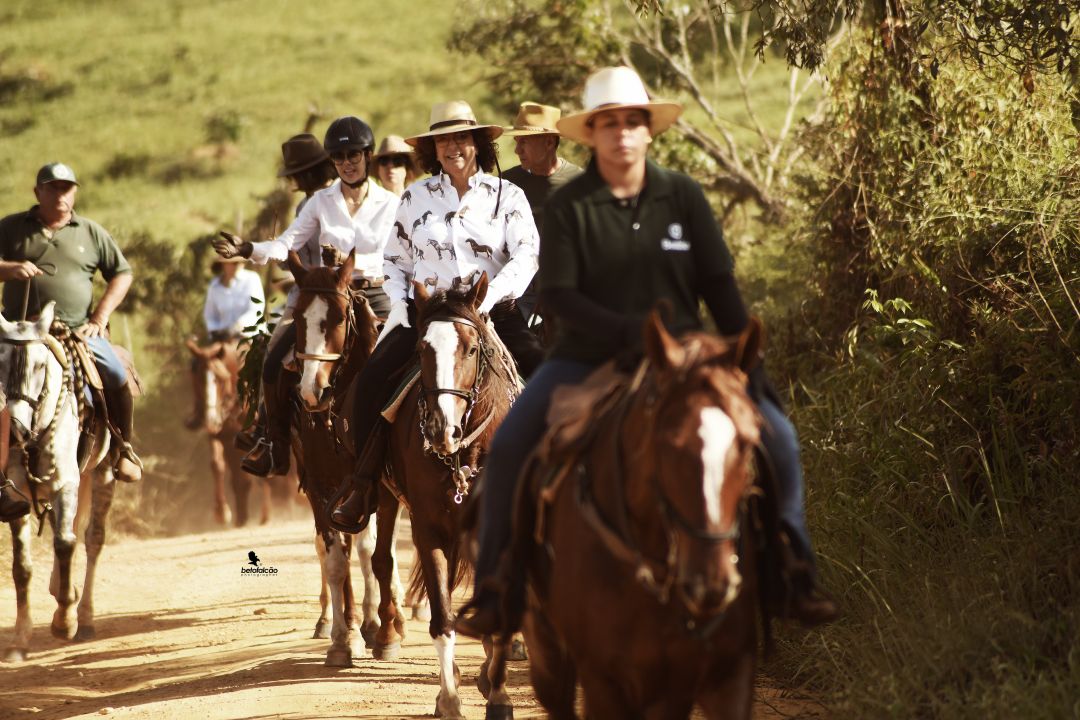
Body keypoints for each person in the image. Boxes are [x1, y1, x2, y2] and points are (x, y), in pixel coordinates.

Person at [455, 67, 838, 638]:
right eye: (609, 124)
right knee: (510, 444)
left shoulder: (681, 195)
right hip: (585, 355)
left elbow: (719, 286)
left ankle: (793, 573)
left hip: (687, 353)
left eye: (633, 122)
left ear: (648, 129)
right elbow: (560, 295)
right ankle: (497, 589)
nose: (622, 134)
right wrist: (629, 333)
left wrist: (747, 365)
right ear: (591, 134)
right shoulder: (569, 205)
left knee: (778, 433)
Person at [328, 100, 543, 533]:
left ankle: (556, 483)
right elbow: (394, 260)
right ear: (433, 149)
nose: (453, 147)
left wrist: (488, 299)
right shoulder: (415, 196)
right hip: (429, 319)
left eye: (461, 138)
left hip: (492, 312)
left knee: (545, 375)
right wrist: (404, 305)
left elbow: (527, 254)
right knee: (370, 383)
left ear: (478, 143)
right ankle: (364, 484)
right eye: (444, 140)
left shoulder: (508, 196)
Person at [212, 117, 398, 477]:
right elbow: (288, 243)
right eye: (339, 156)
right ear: (332, 161)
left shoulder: (391, 203)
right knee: (273, 359)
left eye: (354, 155)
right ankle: (273, 444)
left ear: (368, 156)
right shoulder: (318, 204)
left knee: (410, 353)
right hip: (323, 297)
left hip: (375, 291)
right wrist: (248, 248)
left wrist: (352, 263)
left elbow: (399, 255)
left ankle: (417, 436)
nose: (347, 162)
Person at [0, 162, 142, 483]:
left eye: (67, 188)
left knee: (117, 373)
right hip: (18, 334)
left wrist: (99, 317)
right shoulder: (10, 228)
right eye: (53, 188)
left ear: (75, 192)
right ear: (38, 192)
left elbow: (122, 274)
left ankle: (125, 450)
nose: (61, 195)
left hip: (76, 332)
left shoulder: (91, 232)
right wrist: (9, 269)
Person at [233, 133, 336, 451]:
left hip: (331, 293)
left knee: (273, 360)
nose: (300, 179)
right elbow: (295, 257)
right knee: (273, 357)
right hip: (309, 297)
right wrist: (283, 257)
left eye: (302, 172)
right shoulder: (307, 205)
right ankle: (270, 432)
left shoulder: (332, 201)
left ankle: (268, 434)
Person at [501, 102, 583, 324]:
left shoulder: (580, 183)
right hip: (519, 288)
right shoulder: (507, 184)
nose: (518, 150)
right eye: (517, 142)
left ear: (549, 142)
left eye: (524, 141)